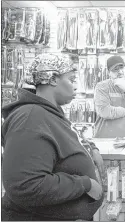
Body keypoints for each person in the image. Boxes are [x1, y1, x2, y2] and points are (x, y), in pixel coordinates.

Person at [1, 53, 104, 221]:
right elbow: (26, 185)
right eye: (71, 80)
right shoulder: (30, 118)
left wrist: (91, 149)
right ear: (53, 79)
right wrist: (85, 184)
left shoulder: (48, 113)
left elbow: (65, 141)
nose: (76, 86)